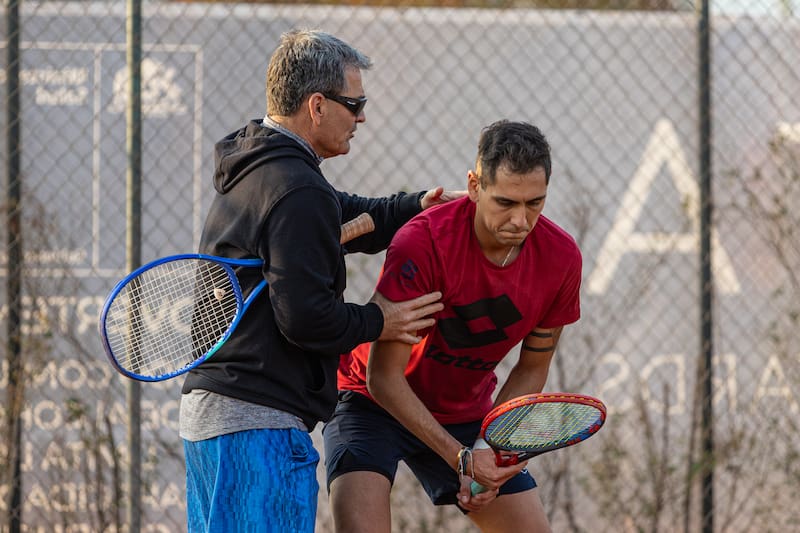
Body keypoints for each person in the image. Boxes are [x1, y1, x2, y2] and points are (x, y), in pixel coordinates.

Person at [179, 29, 460, 533]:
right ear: (316, 105)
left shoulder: (261, 165)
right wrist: (381, 321)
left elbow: (343, 214)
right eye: (355, 104)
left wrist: (417, 207)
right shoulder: (296, 189)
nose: (362, 117)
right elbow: (306, 318)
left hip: (217, 421)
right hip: (256, 426)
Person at [324, 120, 583, 533]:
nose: (521, 220)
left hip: (466, 414)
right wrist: (460, 458)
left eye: (535, 203)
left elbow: (531, 367)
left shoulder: (562, 258)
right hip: (371, 402)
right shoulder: (422, 243)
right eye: (505, 202)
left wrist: (487, 450)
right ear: (475, 185)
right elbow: (383, 378)